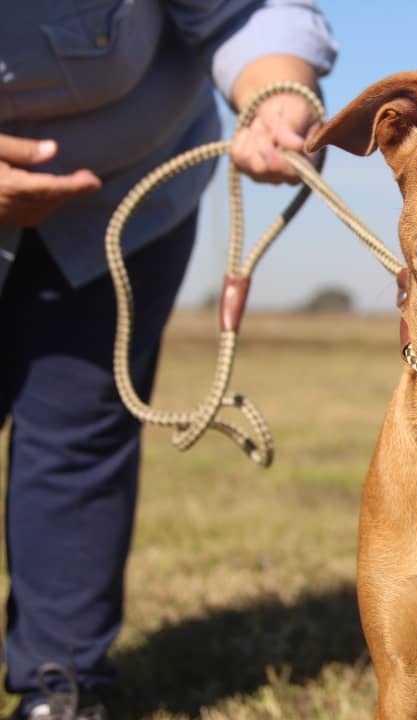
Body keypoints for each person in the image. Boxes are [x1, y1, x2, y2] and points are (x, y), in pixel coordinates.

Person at [0, 2, 337, 718]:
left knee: (82, 423)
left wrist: (277, 95)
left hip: (125, 200)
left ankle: (60, 686)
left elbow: (244, 13)